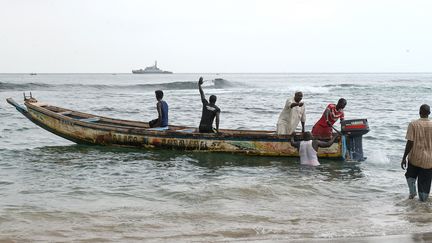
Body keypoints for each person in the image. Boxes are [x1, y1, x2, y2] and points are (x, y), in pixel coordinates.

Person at [401, 104, 432, 201]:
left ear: (419, 112)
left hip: (415, 157)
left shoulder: (413, 124)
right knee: (425, 184)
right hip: (429, 161)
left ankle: (413, 192)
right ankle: (422, 206)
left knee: (410, 175)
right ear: (429, 113)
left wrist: (404, 157)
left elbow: (410, 142)